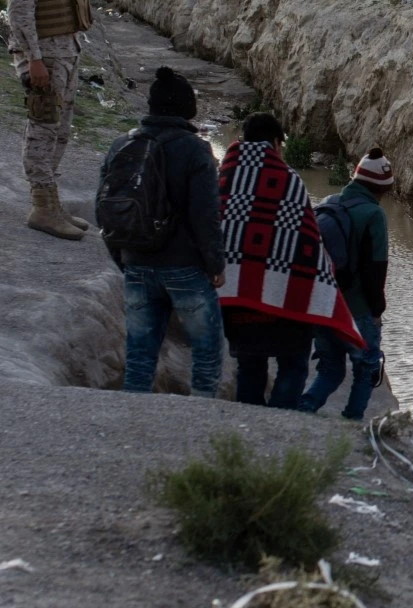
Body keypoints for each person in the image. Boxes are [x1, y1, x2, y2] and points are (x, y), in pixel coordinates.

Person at [4, 0, 126, 240]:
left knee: (59, 130)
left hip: (64, 53)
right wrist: (33, 61)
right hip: (45, 58)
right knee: (43, 129)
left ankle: (51, 203)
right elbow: (20, 12)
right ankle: (43, 207)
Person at [216, 113, 365, 409]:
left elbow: (216, 232)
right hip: (288, 301)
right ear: (275, 143)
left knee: (250, 368)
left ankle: (249, 426)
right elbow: (308, 239)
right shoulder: (288, 180)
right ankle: (282, 422)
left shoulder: (224, 178)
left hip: (238, 299)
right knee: (294, 366)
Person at [100, 68, 225, 396]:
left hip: (137, 264)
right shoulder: (196, 150)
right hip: (185, 269)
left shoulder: (121, 144)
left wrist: (125, 259)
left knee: (140, 356)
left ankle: (134, 425)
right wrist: (215, 265)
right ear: (186, 108)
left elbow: (107, 210)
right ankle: (201, 426)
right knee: (207, 354)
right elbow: (206, 216)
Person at [298, 148, 392, 421]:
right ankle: (352, 421)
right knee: (366, 369)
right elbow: (377, 269)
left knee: (330, 369)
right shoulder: (374, 215)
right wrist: (377, 311)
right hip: (358, 308)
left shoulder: (330, 202)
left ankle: (303, 411)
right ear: (381, 188)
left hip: (325, 302)